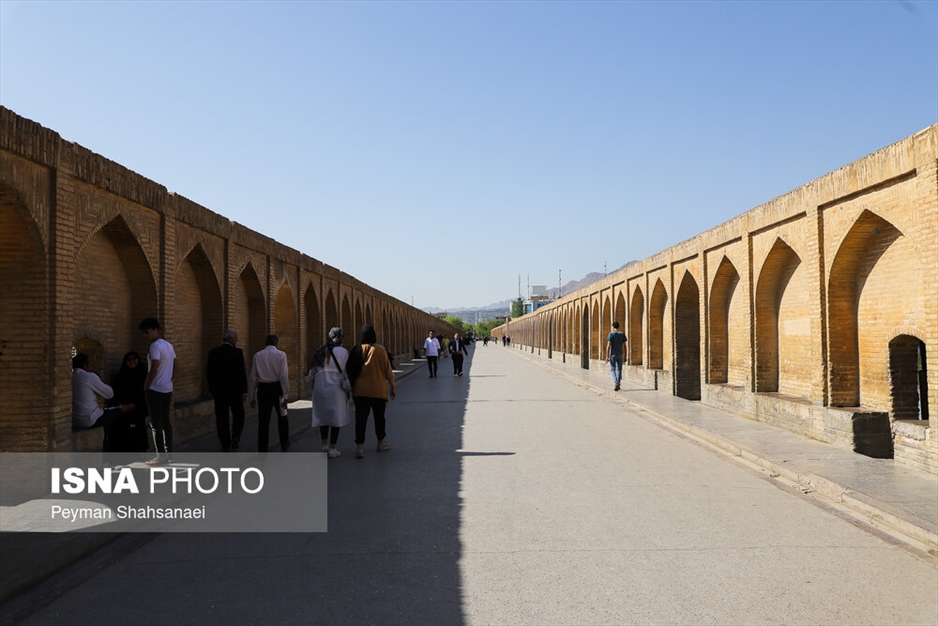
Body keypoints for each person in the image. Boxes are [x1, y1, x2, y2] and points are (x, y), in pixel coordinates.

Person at [352, 325, 396, 459]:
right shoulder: (380, 350)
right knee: (379, 418)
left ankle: (360, 448)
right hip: (378, 391)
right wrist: (393, 387)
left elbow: (350, 370)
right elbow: (388, 371)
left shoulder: (356, 350)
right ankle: (381, 442)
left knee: (360, 420)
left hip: (360, 391)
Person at [309, 327, 352, 458]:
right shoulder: (343, 352)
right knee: (336, 419)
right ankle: (333, 448)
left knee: (323, 418)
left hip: (320, 388)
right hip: (336, 390)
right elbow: (346, 372)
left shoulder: (320, 351)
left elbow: (312, 373)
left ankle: (324, 445)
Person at [140, 317, 176, 465]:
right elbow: (176, 364)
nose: (145, 336)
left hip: (155, 389)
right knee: (165, 420)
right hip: (167, 388)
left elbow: (154, 367)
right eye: (144, 333)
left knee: (156, 424)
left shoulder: (155, 346)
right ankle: (169, 452)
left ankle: (161, 456)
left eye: (147, 332)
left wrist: (147, 385)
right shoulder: (168, 345)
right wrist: (169, 379)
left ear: (155, 330)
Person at [207, 329, 248, 452]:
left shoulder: (213, 352)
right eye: (236, 338)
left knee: (221, 418)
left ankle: (225, 443)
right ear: (230, 339)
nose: (237, 340)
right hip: (235, 392)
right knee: (239, 415)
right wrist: (244, 391)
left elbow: (209, 373)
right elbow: (242, 373)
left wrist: (212, 390)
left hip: (219, 392)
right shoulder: (237, 352)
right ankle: (235, 437)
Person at [72, 353, 134, 434]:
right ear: (85, 365)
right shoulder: (89, 376)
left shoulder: (72, 376)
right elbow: (109, 394)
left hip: (75, 420)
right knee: (124, 408)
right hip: (90, 419)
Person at [249, 334, 291, 452]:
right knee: (282, 416)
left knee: (263, 420)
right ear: (276, 343)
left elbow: (253, 377)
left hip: (263, 390)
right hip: (277, 389)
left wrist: (252, 396)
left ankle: (262, 448)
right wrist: (285, 395)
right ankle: (284, 443)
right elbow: (283, 376)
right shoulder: (281, 355)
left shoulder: (258, 355)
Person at [107, 351, 150, 452]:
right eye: (129, 359)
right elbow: (116, 393)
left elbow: (146, 394)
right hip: (124, 408)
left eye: (134, 359)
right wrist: (122, 406)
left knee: (137, 427)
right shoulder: (121, 376)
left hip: (139, 407)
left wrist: (134, 405)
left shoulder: (143, 375)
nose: (132, 362)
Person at [606, 321, 628, 391]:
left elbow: (608, 345)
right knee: (619, 369)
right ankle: (618, 382)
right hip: (620, 354)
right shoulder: (622, 334)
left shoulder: (611, 334)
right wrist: (625, 356)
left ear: (613, 327)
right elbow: (625, 346)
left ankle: (616, 382)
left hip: (613, 354)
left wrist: (607, 356)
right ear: (618, 327)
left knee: (612, 369)